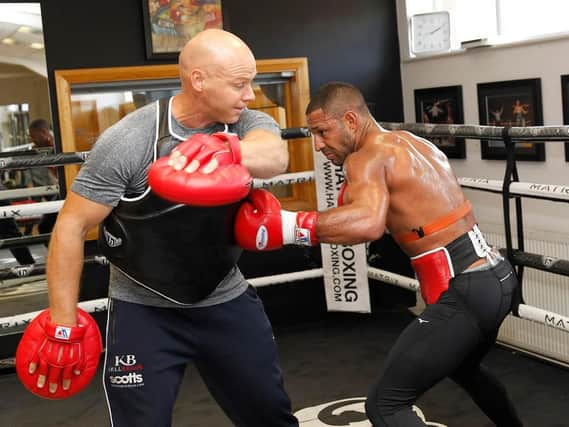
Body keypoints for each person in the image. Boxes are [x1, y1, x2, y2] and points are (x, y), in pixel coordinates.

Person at [18, 29, 298, 427]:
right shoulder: (130, 141)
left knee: (270, 417)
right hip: (144, 312)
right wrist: (63, 317)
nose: (250, 94)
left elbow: (275, 155)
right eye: (239, 84)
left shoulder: (245, 124)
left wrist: (227, 148)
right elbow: (72, 225)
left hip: (225, 301)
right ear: (198, 80)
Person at [234, 82, 523, 426]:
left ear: (352, 121)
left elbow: (368, 225)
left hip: (468, 290)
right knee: (466, 370)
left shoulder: (366, 158)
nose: (318, 144)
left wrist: (287, 226)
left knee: (386, 406)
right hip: (497, 277)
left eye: (323, 131)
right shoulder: (414, 142)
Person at [23, 118, 59, 234]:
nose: (32, 140)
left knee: (45, 226)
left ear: (44, 132)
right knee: (45, 225)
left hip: (67, 189)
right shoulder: (40, 148)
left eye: (34, 136)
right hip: (53, 188)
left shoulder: (60, 142)